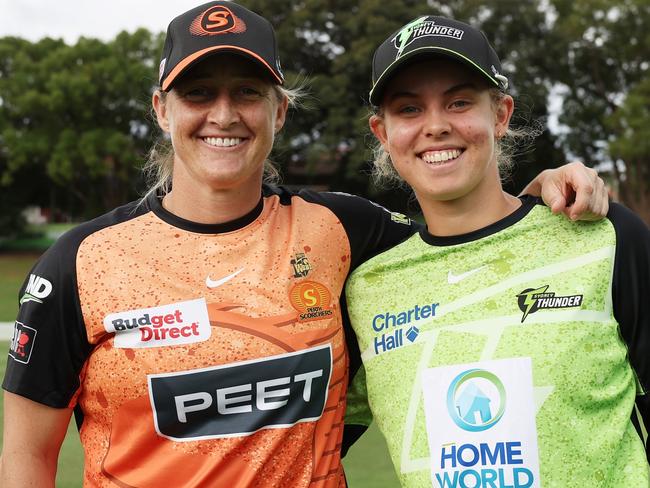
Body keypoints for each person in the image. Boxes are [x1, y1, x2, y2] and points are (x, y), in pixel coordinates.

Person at [0, 3, 609, 487]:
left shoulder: (340, 228)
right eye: (198, 93)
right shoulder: (82, 261)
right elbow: (26, 458)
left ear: (279, 111)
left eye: (246, 92)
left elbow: (464, 235)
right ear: (162, 109)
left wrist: (539, 193)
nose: (223, 114)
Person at [343, 15, 650, 488]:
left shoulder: (603, 237)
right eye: (409, 110)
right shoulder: (365, 287)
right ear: (383, 134)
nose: (437, 126)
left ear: (501, 114)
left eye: (459, 102)